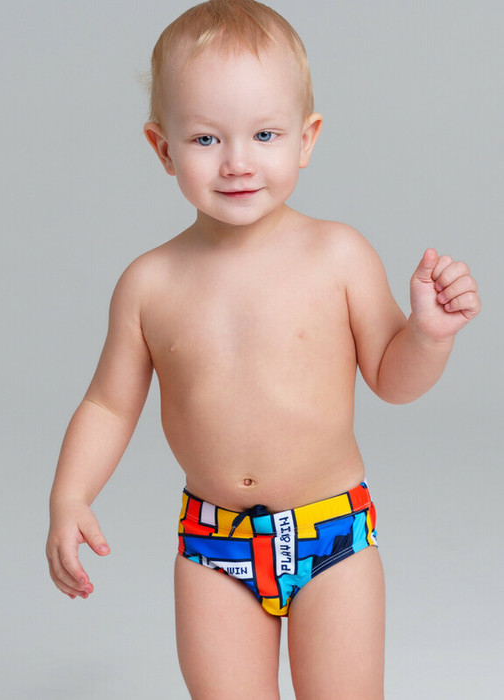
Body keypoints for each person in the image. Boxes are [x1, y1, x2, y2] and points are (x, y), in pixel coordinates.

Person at [46, 1, 481, 697]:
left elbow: (391, 380)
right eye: (206, 139)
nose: (238, 162)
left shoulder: (338, 255)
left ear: (306, 139)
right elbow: (108, 405)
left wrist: (427, 335)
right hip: (214, 543)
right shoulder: (149, 284)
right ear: (162, 148)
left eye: (265, 134)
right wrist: (70, 495)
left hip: (330, 534)